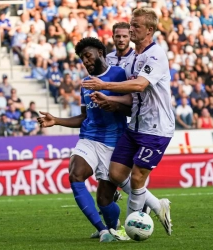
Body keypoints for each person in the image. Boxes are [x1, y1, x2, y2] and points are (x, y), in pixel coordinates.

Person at [83, 8, 174, 236]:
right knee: (115, 174)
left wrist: (104, 86)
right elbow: (132, 96)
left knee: (136, 178)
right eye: (131, 25)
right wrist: (108, 98)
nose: (131, 29)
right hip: (135, 126)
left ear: (150, 30)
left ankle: (130, 228)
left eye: (136, 26)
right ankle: (156, 205)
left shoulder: (156, 55)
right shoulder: (134, 58)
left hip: (156, 129)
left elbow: (139, 85)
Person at [38, 37, 138, 242]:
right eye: (82, 58)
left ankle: (114, 226)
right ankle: (102, 230)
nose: (85, 61)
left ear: (100, 52)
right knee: (75, 175)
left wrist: (115, 105)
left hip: (114, 143)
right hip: (89, 139)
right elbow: (84, 117)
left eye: (88, 56)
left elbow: (132, 107)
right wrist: (56, 120)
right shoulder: (85, 84)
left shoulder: (119, 75)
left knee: (104, 200)